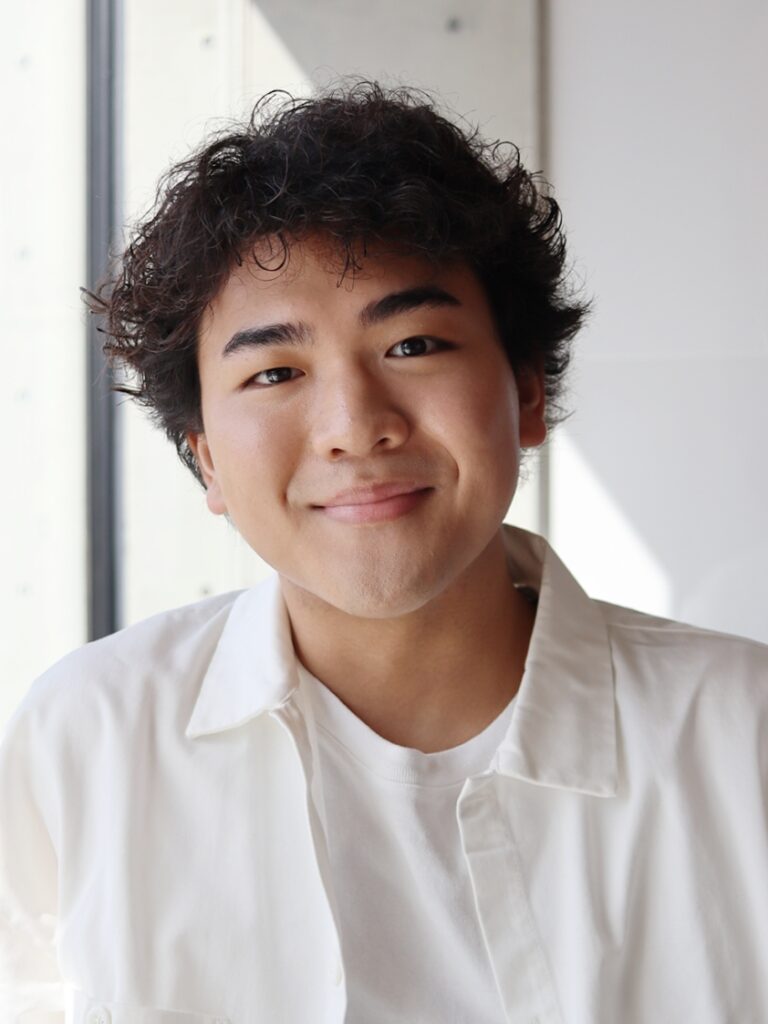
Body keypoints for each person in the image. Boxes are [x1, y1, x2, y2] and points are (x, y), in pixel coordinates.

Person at [1, 82, 766, 1024]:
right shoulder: (87, 741)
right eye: (274, 372)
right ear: (205, 459)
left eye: (412, 344)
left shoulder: (743, 737)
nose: (354, 427)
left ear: (527, 392)